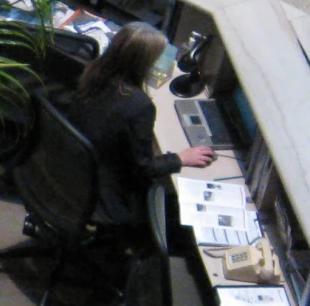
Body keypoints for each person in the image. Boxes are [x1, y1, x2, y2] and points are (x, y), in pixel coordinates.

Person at [58, 24, 215, 230]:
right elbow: (143, 168)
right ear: (144, 63)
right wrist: (179, 158)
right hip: (104, 192)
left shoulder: (93, 72)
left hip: (69, 169)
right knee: (170, 195)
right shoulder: (138, 105)